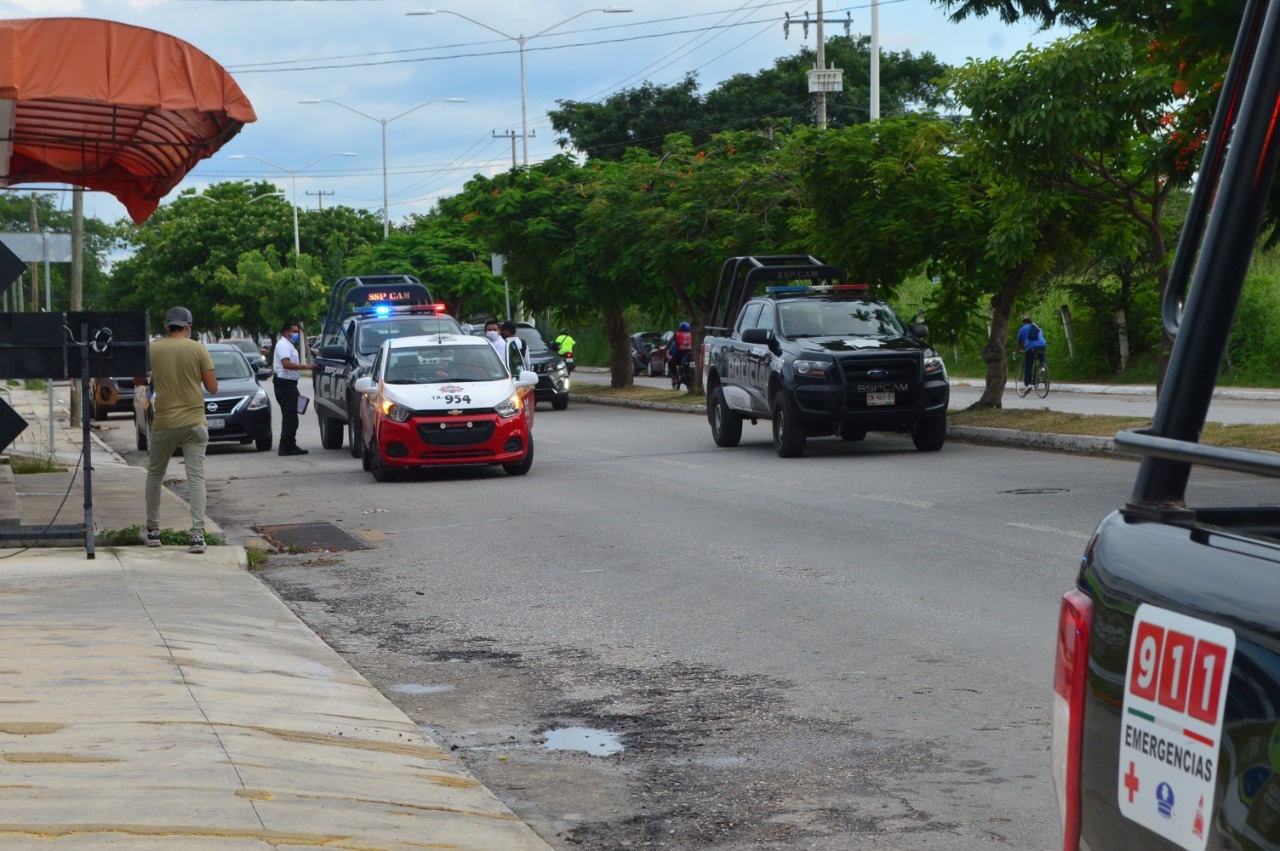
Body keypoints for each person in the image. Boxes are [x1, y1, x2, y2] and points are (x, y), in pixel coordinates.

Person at [136, 306, 217, 553]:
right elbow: (212, 387)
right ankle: (197, 536)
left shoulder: (153, 349)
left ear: (167, 326)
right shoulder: (198, 348)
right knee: (196, 478)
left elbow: (139, 382)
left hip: (165, 423)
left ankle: (152, 531)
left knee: (155, 475)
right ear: (188, 327)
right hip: (195, 422)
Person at [273, 319, 309, 456]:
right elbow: (286, 364)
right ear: (286, 332)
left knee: (292, 416)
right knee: (290, 416)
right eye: (294, 332)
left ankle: (289, 444)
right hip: (285, 384)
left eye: (297, 332)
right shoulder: (283, 345)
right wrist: (306, 366)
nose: (296, 334)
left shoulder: (289, 345)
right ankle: (286, 446)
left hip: (290, 383)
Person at [1015, 315, 1048, 390]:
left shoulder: (1023, 329)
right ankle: (1043, 367)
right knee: (1041, 356)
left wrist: (1018, 351)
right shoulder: (1037, 327)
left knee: (1028, 365)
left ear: (1025, 322)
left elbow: (1019, 342)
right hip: (1043, 345)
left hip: (1031, 347)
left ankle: (1028, 384)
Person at [668, 321, 693, 389]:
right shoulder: (692, 334)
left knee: (670, 363)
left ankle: (675, 377)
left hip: (681, 355)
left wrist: (665, 349)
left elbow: (670, 343)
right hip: (691, 354)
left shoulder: (677, 334)